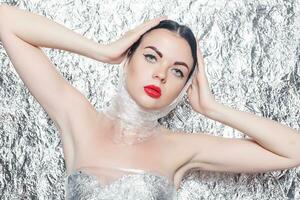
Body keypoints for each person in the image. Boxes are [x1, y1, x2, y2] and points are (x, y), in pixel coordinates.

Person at [0, 4, 299, 200]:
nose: (160, 75)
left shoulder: (182, 147)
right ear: (128, 57)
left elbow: (293, 150)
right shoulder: (79, 119)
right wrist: (102, 51)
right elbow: (5, 18)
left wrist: (212, 108)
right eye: (151, 56)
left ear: (185, 86)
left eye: (178, 71)